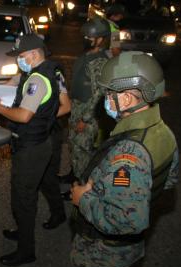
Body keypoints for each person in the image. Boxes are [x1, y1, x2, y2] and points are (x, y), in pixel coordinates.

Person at [63, 51, 179, 267]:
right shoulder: (163, 133)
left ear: (126, 98)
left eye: (108, 94)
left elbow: (128, 220)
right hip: (125, 253)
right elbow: (166, 183)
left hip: (102, 255)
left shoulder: (130, 154)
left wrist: (84, 199)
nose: (104, 99)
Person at [0, 34, 61, 266]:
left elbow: (25, 116)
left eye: (21, 55)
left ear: (35, 54)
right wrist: (7, 107)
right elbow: (31, 109)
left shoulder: (37, 80)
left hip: (31, 148)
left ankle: (26, 250)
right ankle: (23, 232)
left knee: (23, 199)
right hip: (38, 142)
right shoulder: (45, 73)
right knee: (27, 194)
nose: (19, 60)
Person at [69, 17, 111, 182]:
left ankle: (83, 191)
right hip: (77, 108)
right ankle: (75, 180)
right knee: (74, 149)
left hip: (87, 114)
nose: (86, 39)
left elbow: (99, 94)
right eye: (85, 36)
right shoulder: (86, 55)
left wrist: (85, 120)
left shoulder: (99, 62)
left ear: (100, 39)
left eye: (90, 37)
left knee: (83, 152)